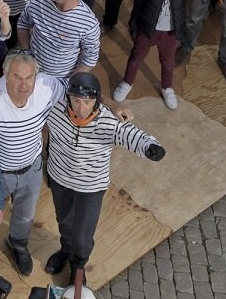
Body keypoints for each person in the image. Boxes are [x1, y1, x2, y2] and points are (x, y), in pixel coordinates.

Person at [43, 71, 164, 278]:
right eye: (76, 100)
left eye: (88, 102)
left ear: (97, 101)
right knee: (64, 221)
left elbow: (130, 134)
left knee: (83, 235)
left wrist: (150, 146)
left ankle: (78, 265)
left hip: (90, 187)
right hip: (60, 178)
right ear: (68, 98)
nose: (81, 108)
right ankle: (65, 250)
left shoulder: (108, 121)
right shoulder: (54, 110)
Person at [0, 50, 60, 277]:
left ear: (36, 76)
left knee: (25, 214)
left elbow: (76, 95)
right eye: (17, 77)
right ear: (5, 76)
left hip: (31, 168)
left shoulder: (47, 87)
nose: (24, 84)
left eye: (29, 77)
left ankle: (18, 243)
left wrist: (110, 107)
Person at [112, 0, 186, 110]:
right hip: (148, 29)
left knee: (168, 63)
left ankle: (167, 88)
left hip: (170, 33)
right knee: (136, 59)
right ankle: (126, 83)